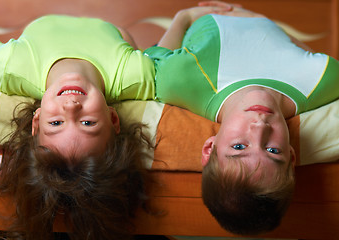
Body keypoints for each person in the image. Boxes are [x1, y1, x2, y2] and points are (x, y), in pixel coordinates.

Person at [0, 4, 233, 239]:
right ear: (113, 118)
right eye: (88, 123)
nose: (71, 108)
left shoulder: (9, 68)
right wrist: (183, 18)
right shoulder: (135, 77)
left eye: (56, 124)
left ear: (36, 121)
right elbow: (163, 54)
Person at [144, 1, 339, 236]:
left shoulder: (179, 81)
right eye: (273, 151)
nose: (259, 127)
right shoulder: (323, 83)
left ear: (210, 147)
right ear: (292, 154)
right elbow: (308, 55)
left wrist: (183, 17)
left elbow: (152, 57)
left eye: (239, 146)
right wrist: (258, 18)